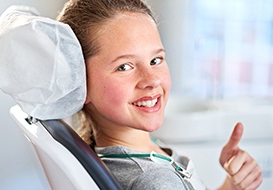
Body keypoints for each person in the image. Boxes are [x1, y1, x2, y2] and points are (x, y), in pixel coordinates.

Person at [57, 0, 263, 189]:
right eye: (124, 66)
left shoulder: (140, 155)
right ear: (79, 84)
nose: (152, 80)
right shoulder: (154, 180)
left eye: (156, 60)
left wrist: (230, 186)